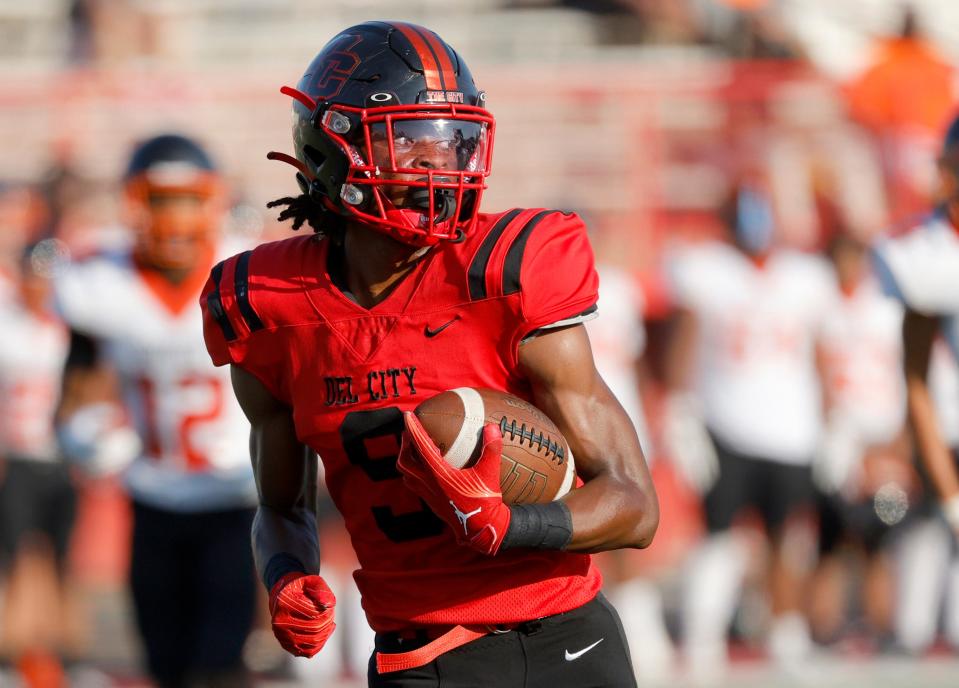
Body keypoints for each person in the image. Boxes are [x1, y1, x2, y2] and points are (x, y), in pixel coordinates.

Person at [200, 21, 658, 688]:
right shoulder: (267, 304)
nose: (441, 166)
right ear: (333, 152)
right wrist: (286, 573)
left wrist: (513, 523)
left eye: (453, 142)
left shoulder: (505, 271)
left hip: (568, 641)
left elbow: (634, 505)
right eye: (412, 143)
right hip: (421, 659)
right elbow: (281, 507)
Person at [54, 134, 258, 687]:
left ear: (212, 201)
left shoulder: (244, 273)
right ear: (135, 203)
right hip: (151, 496)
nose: (175, 219)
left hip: (233, 497)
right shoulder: (100, 284)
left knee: (218, 666)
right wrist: (82, 432)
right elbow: (72, 394)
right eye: (162, 200)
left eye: (188, 200)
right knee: (164, 664)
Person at [664, 179, 835, 679]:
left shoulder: (806, 276)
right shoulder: (708, 270)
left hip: (794, 428)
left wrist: (832, 420)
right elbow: (685, 342)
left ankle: (787, 634)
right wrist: (680, 410)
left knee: (791, 535)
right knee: (719, 536)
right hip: (727, 424)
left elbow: (819, 353)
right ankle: (703, 635)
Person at [873, 111, 959, 651]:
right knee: (924, 629)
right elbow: (918, 381)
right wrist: (951, 492)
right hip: (947, 436)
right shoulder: (922, 252)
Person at [810, 229, 911, 646]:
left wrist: (897, 439)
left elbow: (904, 374)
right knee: (834, 538)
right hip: (838, 441)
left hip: (881, 435)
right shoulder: (821, 309)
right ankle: (824, 626)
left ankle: (883, 623)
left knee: (881, 536)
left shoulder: (887, 310)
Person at [0, 240, 77, 684]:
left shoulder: (71, 331)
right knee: (17, 556)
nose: (40, 287)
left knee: (64, 558)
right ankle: (13, 651)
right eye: (34, 277)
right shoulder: (8, 329)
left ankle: (63, 648)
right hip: (19, 456)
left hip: (62, 458)